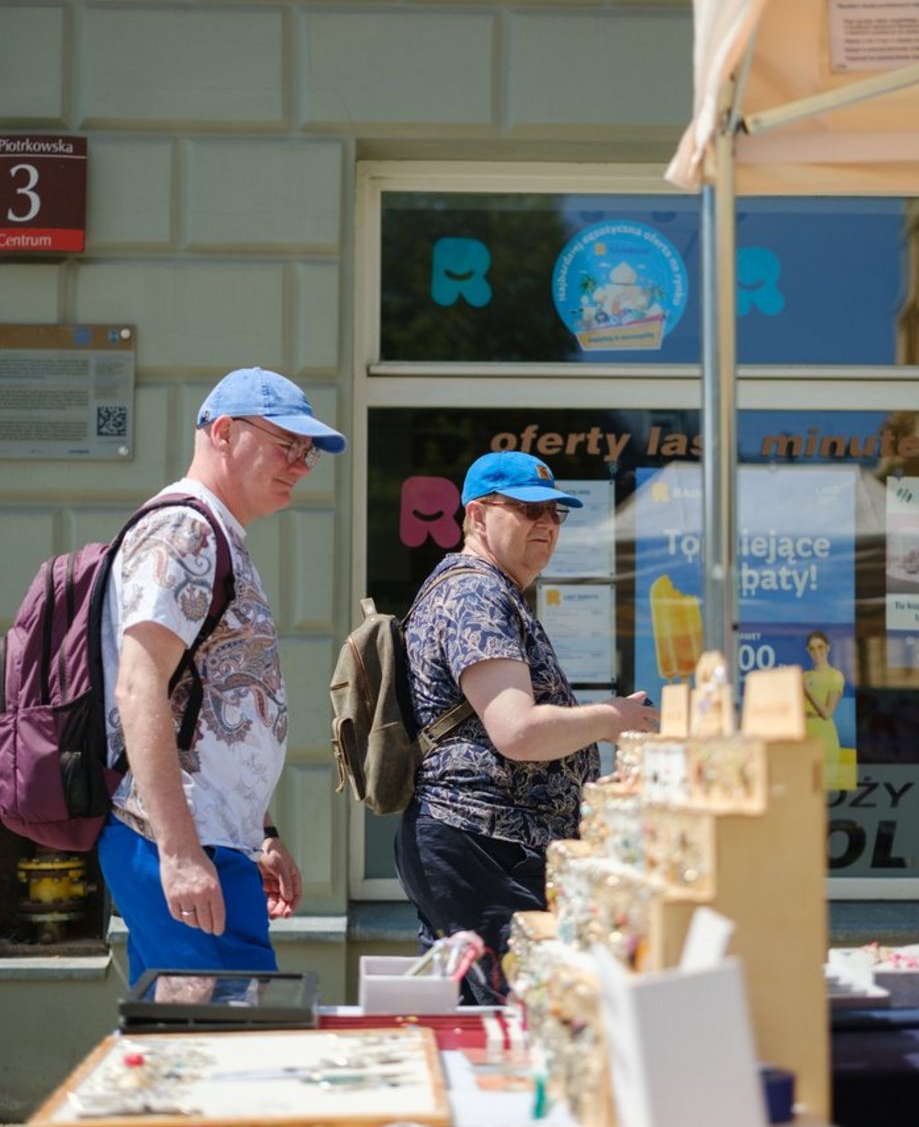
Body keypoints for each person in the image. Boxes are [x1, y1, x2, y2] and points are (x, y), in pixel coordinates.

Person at [96, 367, 346, 984]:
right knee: (210, 1028)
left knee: (211, 1025)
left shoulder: (216, 532)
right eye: (288, 445)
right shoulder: (185, 530)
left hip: (212, 840)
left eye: (308, 451)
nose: (302, 465)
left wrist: (261, 830)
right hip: (174, 839)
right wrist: (180, 853)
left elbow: (210, 703)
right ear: (225, 432)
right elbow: (139, 688)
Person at [394, 449, 658, 1004]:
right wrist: (612, 719)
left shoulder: (490, 589)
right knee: (520, 1016)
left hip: (485, 847)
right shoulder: (476, 593)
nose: (547, 524)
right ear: (476, 516)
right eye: (527, 509)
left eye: (555, 513)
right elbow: (518, 732)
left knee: (478, 1016)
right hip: (482, 847)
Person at [803, 629, 851, 791]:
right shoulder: (804, 676)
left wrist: (808, 692)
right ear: (808, 651)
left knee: (824, 788)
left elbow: (827, 713)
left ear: (828, 648)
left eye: (820, 647)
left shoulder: (835, 676)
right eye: (812, 648)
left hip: (823, 735)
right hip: (804, 735)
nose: (816, 652)